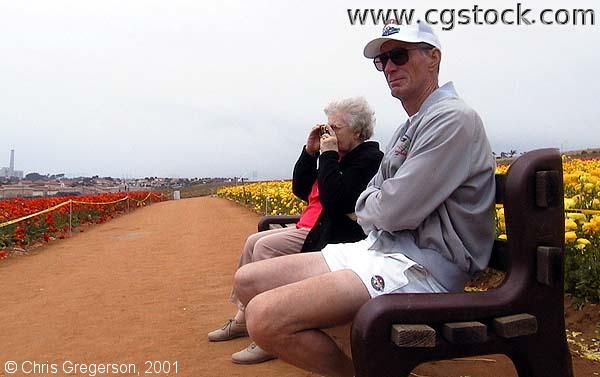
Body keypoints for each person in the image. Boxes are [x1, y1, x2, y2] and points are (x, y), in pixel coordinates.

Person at [232, 21, 496, 377]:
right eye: (382, 61)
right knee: (247, 281)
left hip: (421, 266)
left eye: (399, 55)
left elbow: (392, 208)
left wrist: (374, 206)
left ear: (433, 58)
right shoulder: (411, 126)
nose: (389, 67)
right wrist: (374, 205)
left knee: (264, 318)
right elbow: (373, 199)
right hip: (382, 249)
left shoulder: (453, 120)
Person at [208, 97, 383, 364]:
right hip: (311, 225)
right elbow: (301, 189)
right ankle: (244, 317)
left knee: (264, 247)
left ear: (357, 131)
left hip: (329, 231)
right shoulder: (336, 155)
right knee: (253, 241)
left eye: (335, 128)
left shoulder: (367, 159)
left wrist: (327, 156)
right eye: (328, 127)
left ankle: (266, 333)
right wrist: (310, 151)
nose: (329, 133)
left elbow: (335, 200)